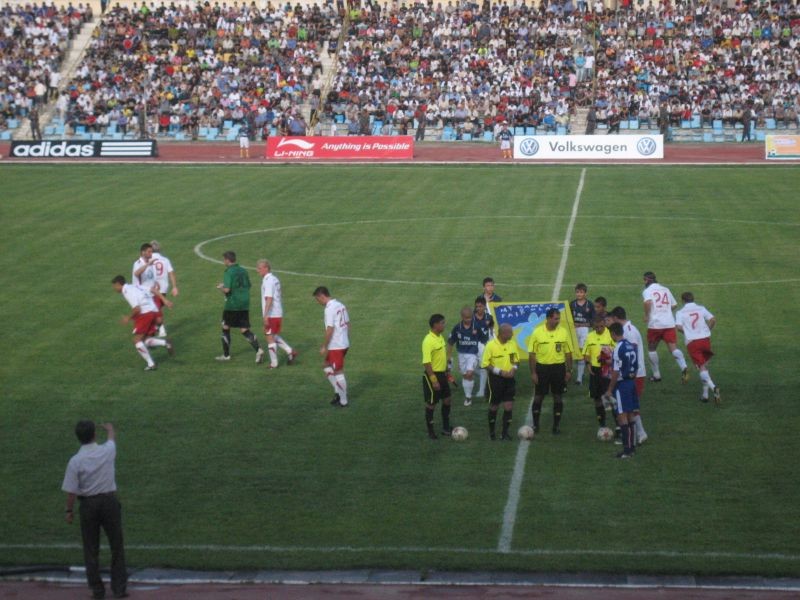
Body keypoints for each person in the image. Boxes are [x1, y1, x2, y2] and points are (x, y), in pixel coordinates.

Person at [62, 421, 128, 599]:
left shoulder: (75, 461)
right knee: (116, 545)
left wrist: (69, 511)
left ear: (78, 438)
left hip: (88, 506)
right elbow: (111, 440)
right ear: (94, 434)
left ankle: (97, 590)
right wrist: (110, 429)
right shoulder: (107, 451)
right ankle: (119, 589)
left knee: (91, 549)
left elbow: (71, 491)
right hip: (109, 503)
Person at [112, 275, 172, 370]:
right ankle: (165, 343)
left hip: (145, 314)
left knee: (137, 340)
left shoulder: (127, 291)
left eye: (114, 286)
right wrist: (164, 300)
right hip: (153, 311)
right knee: (145, 340)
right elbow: (153, 290)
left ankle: (151, 364)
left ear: (118, 284)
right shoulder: (134, 286)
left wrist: (128, 318)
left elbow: (137, 309)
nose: (114, 288)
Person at [528, 308, 573, 434]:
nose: (558, 321)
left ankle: (556, 426)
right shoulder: (537, 332)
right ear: (548, 319)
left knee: (558, 396)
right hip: (542, 368)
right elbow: (532, 354)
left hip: (558, 368)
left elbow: (568, 353)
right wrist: (533, 373)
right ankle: (535, 425)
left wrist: (569, 370)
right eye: (555, 319)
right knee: (539, 396)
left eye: (558, 319)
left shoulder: (563, 332)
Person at [215, 251, 264, 363]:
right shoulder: (243, 270)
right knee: (244, 329)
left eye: (224, 259)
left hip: (232, 305)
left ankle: (226, 355)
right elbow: (248, 285)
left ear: (227, 260)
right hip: (244, 304)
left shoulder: (228, 272)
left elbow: (227, 290)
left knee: (225, 327)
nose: (223, 261)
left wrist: (220, 287)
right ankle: (258, 349)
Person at [609, 306, 648, 444]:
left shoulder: (628, 332)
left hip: (633, 374)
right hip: (633, 373)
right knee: (629, 406)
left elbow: (630, 354)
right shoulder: (630, 329)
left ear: (616, 318)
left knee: (629, 407)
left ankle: (638, 434)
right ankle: (637, 435)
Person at [642, 271, 688, 383]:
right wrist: (666, 311)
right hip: (669, 323)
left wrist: (647, 315)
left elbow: (647, 303)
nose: (644, 282)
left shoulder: (647, 291)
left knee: (652, 349)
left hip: (655, 324)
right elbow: (674, 304)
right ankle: (684, 367)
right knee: (673, 348)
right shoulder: (665, 289)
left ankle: (656, 375)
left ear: (647, 280)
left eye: (644, 280)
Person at [675, 292, 721, 404]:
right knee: (704, 366)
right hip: (705, 340)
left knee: (701, 367)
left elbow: (678, 327)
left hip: (693, 342)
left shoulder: (680, 312)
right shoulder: (701, 308)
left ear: (683, 300)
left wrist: (688, 333)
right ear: (693, 299)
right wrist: (707, 330)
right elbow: (713, 319)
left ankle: (714, 388)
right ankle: (705, 395)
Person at [602, 323, 639, 459]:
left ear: (613, 333)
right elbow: (636, 366)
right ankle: (632, 447)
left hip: (622, 385)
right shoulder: (631, 345)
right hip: (631, 382)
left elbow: (616, 371)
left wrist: (609, 390)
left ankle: (627, 450)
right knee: (631, 415)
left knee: (622, 416)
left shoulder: (618, 348)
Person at [481, 323, 519, 440]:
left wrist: (513, 369)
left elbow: (515, 360)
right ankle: (492, 433)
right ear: (503, 334)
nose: (512, 334)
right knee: (494, 406)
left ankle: (505, 433)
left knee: (508, 406)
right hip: (495, 380)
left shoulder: (512, 344)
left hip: (510, 380)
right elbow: (485, 364)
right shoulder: (490, 345)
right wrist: (500, 372)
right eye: (510, 332)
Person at [313, 286, 350, 407]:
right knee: (326, 365)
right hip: (343, 342)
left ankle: (343, 401)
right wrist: (345, 337)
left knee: (338, 371)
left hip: (336, 345)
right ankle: (338, 392)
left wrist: (324, 346)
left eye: (317, 299)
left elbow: (330, 329)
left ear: (322, 296)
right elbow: (348, 324)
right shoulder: (340, 305)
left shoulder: (329, 309)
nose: (318, 302)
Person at [257, 259, 297, 368]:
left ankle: (274, 364)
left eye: (259, 268)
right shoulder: (274, 279)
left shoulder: (268, 281)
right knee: (273, 335)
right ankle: (290, 351)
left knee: (269, 338)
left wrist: (266, 315)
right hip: (277, 312)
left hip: (272, 314)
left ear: (266, 268)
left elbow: (269, 298)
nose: (257, 270)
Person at [447, 306, 487, 406]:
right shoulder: (457, 328)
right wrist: (449, 357)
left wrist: (482, 353)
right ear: (462, 317)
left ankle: (469, 397)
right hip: (461, 354)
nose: (469, 320)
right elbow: (451, 342)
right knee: (465, 375)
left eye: (470, 317)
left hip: (473, 354)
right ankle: (468, 396)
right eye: (466, 318)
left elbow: (484, 340)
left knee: (469, 373)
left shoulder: (476, 326)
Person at [421, 313, 452, 438]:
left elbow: (441, 357)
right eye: (442, 323)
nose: (444, 325)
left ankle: (446, 427)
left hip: (442, 374)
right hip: (432, 375)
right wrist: (434, 380)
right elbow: (427, 363)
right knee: (432, 403)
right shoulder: (428, 341)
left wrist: (447, 370)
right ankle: (431, 431)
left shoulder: (440, 337)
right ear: (435, 325)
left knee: (447, 400)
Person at [582, 316, 614, 431]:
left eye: (601, 326)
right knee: (597, 398)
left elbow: (616, 351)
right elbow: (586, 352)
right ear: (593, 327)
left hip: (607, 369)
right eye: (596, 327)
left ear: (604, 324)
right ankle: (602, 424)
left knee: (611, 397)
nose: (599, 329)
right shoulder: (590, 336)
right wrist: (588, 364)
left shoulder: (610, 335)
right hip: (595, 371)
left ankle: (618, 425)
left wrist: (607, 358)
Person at [149, 240, 178, 337]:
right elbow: (171, 273)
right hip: (164, 288)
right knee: (156, 308)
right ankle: (155, 326)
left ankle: (161, 329)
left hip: (153, 288)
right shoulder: (165, 260)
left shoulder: (148, 260)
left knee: (155, 308)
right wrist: (174, 287)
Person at [570, 283, 595, 385]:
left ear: (585, 293)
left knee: (581, 353)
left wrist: (581, 324)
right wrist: (573, 324)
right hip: (574, 330)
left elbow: (593, 322)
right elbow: (568, 318)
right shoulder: (572, 304)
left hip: (584, 330)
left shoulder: (590, 305)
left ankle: (579, 378)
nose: (579, 294)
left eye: (581, 292)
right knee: (574, 352)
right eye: (577, 292)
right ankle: (576, 371)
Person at [472, 297, 495, 398]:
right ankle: (488, 375)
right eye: (476, 307)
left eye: (480, 306)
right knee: (469, 368)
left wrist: (491, 339)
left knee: (483, 367)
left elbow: (492, 327)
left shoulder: (488, 317)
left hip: (483, 345)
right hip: (472, 345)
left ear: (485, 307)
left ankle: (481, 391)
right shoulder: (471, 318)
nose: (478, 308)